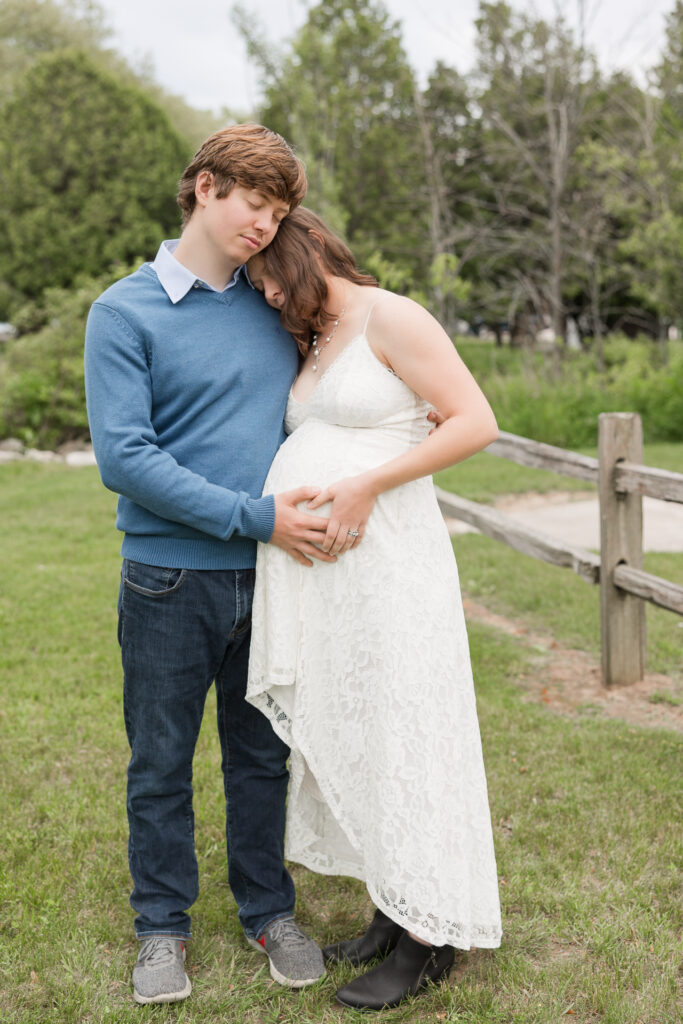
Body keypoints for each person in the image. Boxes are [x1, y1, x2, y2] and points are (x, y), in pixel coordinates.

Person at [84, 126, 337, 1005]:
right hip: (166, 580)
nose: (266, 225)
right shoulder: (124, 312)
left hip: (275, 578)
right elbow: (125, 459)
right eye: (253, 204)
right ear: (203, 188)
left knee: (260, 758)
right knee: (158, 761)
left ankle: (269, 911)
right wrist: (254, 518)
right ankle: (162, 928)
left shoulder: (275, 306)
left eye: (278, 212)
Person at [246, 208, 503, 1011]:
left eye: (271, 275)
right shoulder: (313, 335)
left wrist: (365, 483)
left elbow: (474, 422)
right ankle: (392, 914)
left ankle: (431, 943)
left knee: (409, 734)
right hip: (337, 589)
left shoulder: (391, 315)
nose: (266, 291)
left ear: (305, 249)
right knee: (368, 735)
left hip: (394, 566)